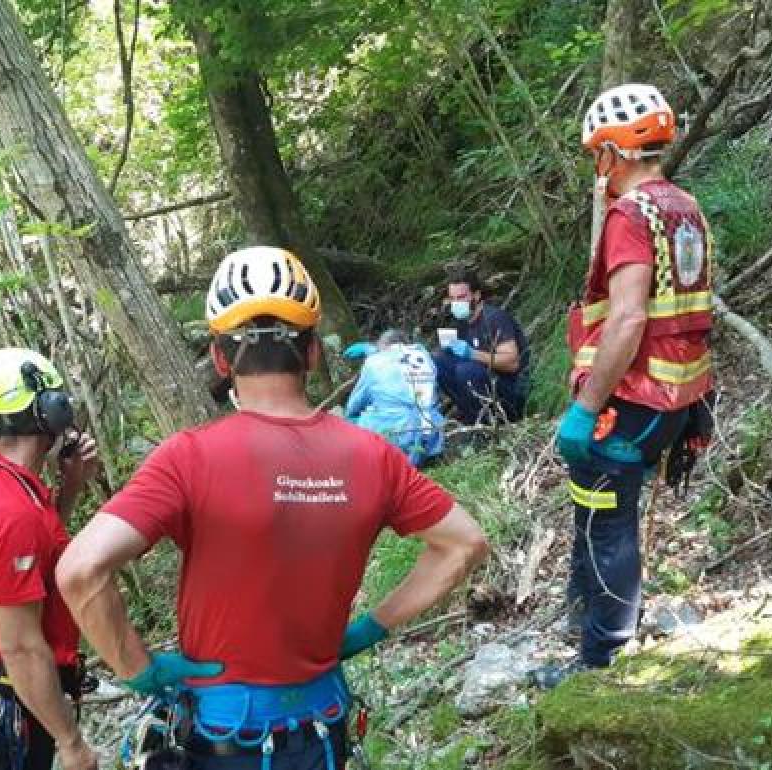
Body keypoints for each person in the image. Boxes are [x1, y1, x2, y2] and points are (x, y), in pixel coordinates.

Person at [57, 246, 488, 769]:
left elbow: (81, 570)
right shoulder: (373, 456)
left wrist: (138, 668)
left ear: (220, 358)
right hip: (320, 725)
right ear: (311, 353)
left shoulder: (189, 457)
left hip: (224, 734)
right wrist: (371, 627)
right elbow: (465, 542)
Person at [538, 84, 715, 687]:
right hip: (678, 394)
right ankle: (588, 615)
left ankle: (599, 659)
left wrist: (586, 407)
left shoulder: (630, 215)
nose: (597, 168)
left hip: (632, 398)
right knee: (603, 514)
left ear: (614, 151)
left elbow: (631, 316)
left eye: (597, 155)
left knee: (605, 518)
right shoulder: (684, 206)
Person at [0, 347, 101, 770]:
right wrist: (71, 742)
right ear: (47, 410)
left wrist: (70, 488)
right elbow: (21, 647)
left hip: (6, 688)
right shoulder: (9, 509)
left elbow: (41, 555)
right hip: (14, 697)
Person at [432, 269, 530, 424]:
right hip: (483, 387)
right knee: (439, 362)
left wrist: (471, 354)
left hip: (510, 391)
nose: (456, 303)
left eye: (462, 297)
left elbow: (512, 363)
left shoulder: (494, 318)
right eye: (452, 298)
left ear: (476, 296)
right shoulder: (463, 323)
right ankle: (471, 416)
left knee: (466, 370)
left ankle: (492, 422)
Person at [343, 329, 445, 466]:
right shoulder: (424, 356)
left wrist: (350, 417)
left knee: (353, 420)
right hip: (432, 432)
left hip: (397, 431)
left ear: (382, 347)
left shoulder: (373, 363)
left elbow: (353, 405)